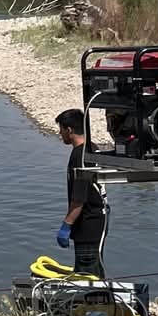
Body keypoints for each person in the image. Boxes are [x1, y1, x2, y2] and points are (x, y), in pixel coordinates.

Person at [54, 108, 107, 276]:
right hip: (99, 221)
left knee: (87, 274)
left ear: (69, 130)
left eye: (61, 129)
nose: (60, 133)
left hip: (87, 224)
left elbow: (79, 197)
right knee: (96, 268)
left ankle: (94, 301)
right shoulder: (92, 148)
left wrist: (66, 224)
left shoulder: (80, 155)